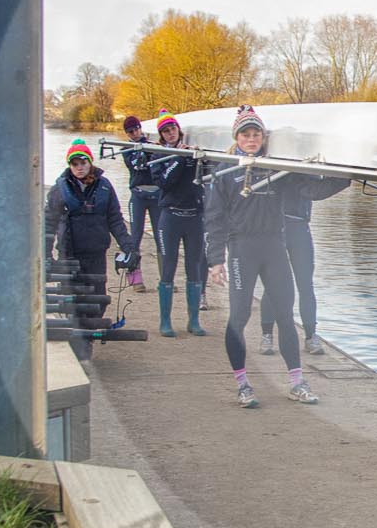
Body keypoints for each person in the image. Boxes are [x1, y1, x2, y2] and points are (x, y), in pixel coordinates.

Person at [203, 106, 345, 408]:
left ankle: (297, 382)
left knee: (285, 315)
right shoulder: (225, 172)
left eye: (256, 134)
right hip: (242, 249)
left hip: (274, 247)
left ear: (263, 137)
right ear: (237, 137)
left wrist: (346, 176)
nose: (251, 139)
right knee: (239, 317)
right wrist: (216, 260)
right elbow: (214, 218)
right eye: (246, 134)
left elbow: (312, 189)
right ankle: (242, 384)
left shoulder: (278, 169)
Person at [43, 138, 134, 363]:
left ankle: (88, 338)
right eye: (74, 163)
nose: (79, 167)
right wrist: (45, 254)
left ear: (90, 162)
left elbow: (115, 219)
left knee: (98, 299)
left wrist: (129, 246)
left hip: (96, 253)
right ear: (69, 166)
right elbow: (48, 223)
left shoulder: (105, 187)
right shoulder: (59, 189)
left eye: (83, 162)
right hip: (69, 253)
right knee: (72, 299)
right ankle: (78, 342)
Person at [258, 179, 345, 357]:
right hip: (275, 227)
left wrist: (345, 179)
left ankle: (310, 336)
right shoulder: (277, 169)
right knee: (273, 284)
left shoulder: (307, 169)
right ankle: (267, 335)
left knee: (305, 284)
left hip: (299, 227)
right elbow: (313, 191)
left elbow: (315, 191)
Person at [148, 112, 207, 338]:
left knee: (194, 266)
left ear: (178, 129)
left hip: (193, 216)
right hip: (170, 217)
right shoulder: (158, 155)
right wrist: (179, 159)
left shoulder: (191, 150)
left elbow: (206, 175)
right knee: (168, 267)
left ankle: (193, 320)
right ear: (161, 136)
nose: (170, 133)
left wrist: (195, 157)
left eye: (172, 129)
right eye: (165, 131)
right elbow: (165, 182)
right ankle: (165, 321)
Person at [120, 115, 159, 292]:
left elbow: (157, 163)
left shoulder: (153, 144)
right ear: (126, 134)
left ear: (140, 128)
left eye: (136, 129)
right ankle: (135, 277)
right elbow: (136, 164)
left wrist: (153, 149)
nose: (134, 133)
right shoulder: (127, 149)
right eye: (130, 131)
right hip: (138, 196)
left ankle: (165, 278)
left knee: (161, 237)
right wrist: (144, 152)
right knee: (135, 237)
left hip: (156, 195)